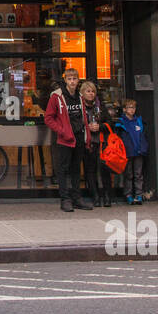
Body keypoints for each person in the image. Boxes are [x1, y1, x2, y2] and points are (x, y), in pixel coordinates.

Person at [43, 67, 91, 212]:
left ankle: (77, 198)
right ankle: (65, 199)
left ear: (78, 80)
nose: (72, 82)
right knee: (63, 170)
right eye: (69, 79)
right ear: (65, 80)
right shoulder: (57, 96)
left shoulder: (80, 96)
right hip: (65, 138)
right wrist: (62, 131)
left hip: (78, 136)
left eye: (74, 79)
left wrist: (86, 133)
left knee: (76, 169)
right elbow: (48, 118)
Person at [77, 81, 109, 207]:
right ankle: (95, 196)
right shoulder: (79, 107)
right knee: (90, 171)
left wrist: (99, 126)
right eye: (88, 91)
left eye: (93, 91)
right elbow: (75, 123)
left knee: (103, 170)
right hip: (87, 143)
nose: (91, 94)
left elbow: (109, 123)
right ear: (82, 93)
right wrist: (87, 127)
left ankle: (106, 196)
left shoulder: (100, 106)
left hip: (101, 143)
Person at [115, 99, 150, 204]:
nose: (132, 110)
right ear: (124, 109)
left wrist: (143, 147)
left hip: (138, 151)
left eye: (133, 107)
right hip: (127, 152)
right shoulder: (121, 122)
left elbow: (142, 135)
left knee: (138, 174)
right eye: (130, 107)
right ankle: (128, 194)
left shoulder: (138, 121)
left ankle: (139, 195)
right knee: (128, 174)